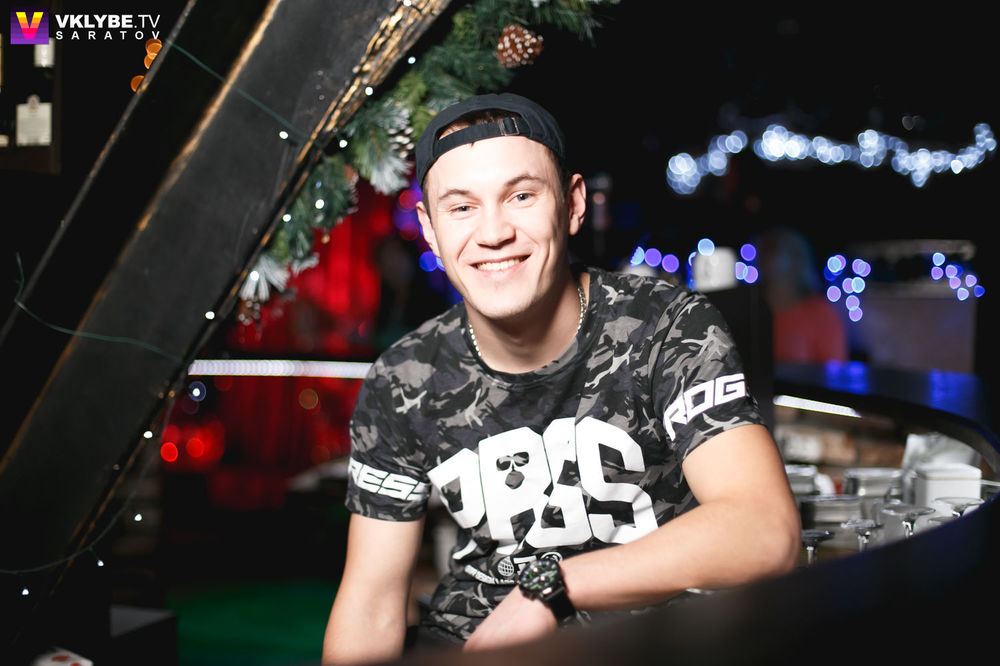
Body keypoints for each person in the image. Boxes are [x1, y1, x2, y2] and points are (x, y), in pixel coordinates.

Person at [321, 93, 800, 663]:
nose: (493, 232)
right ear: (429, 228)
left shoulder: (667, 326)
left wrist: (550, 590)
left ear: (573, 205)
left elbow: (764, 530)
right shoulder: (402, 378)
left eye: (521, 196)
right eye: (462, 207)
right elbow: (372, 604)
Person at [753, 226, 848, 364]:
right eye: (762, 248)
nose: (764, 255)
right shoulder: (750, 311)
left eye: (772, 249)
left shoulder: (820, 314)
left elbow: (834, 370)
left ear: (795, 259)